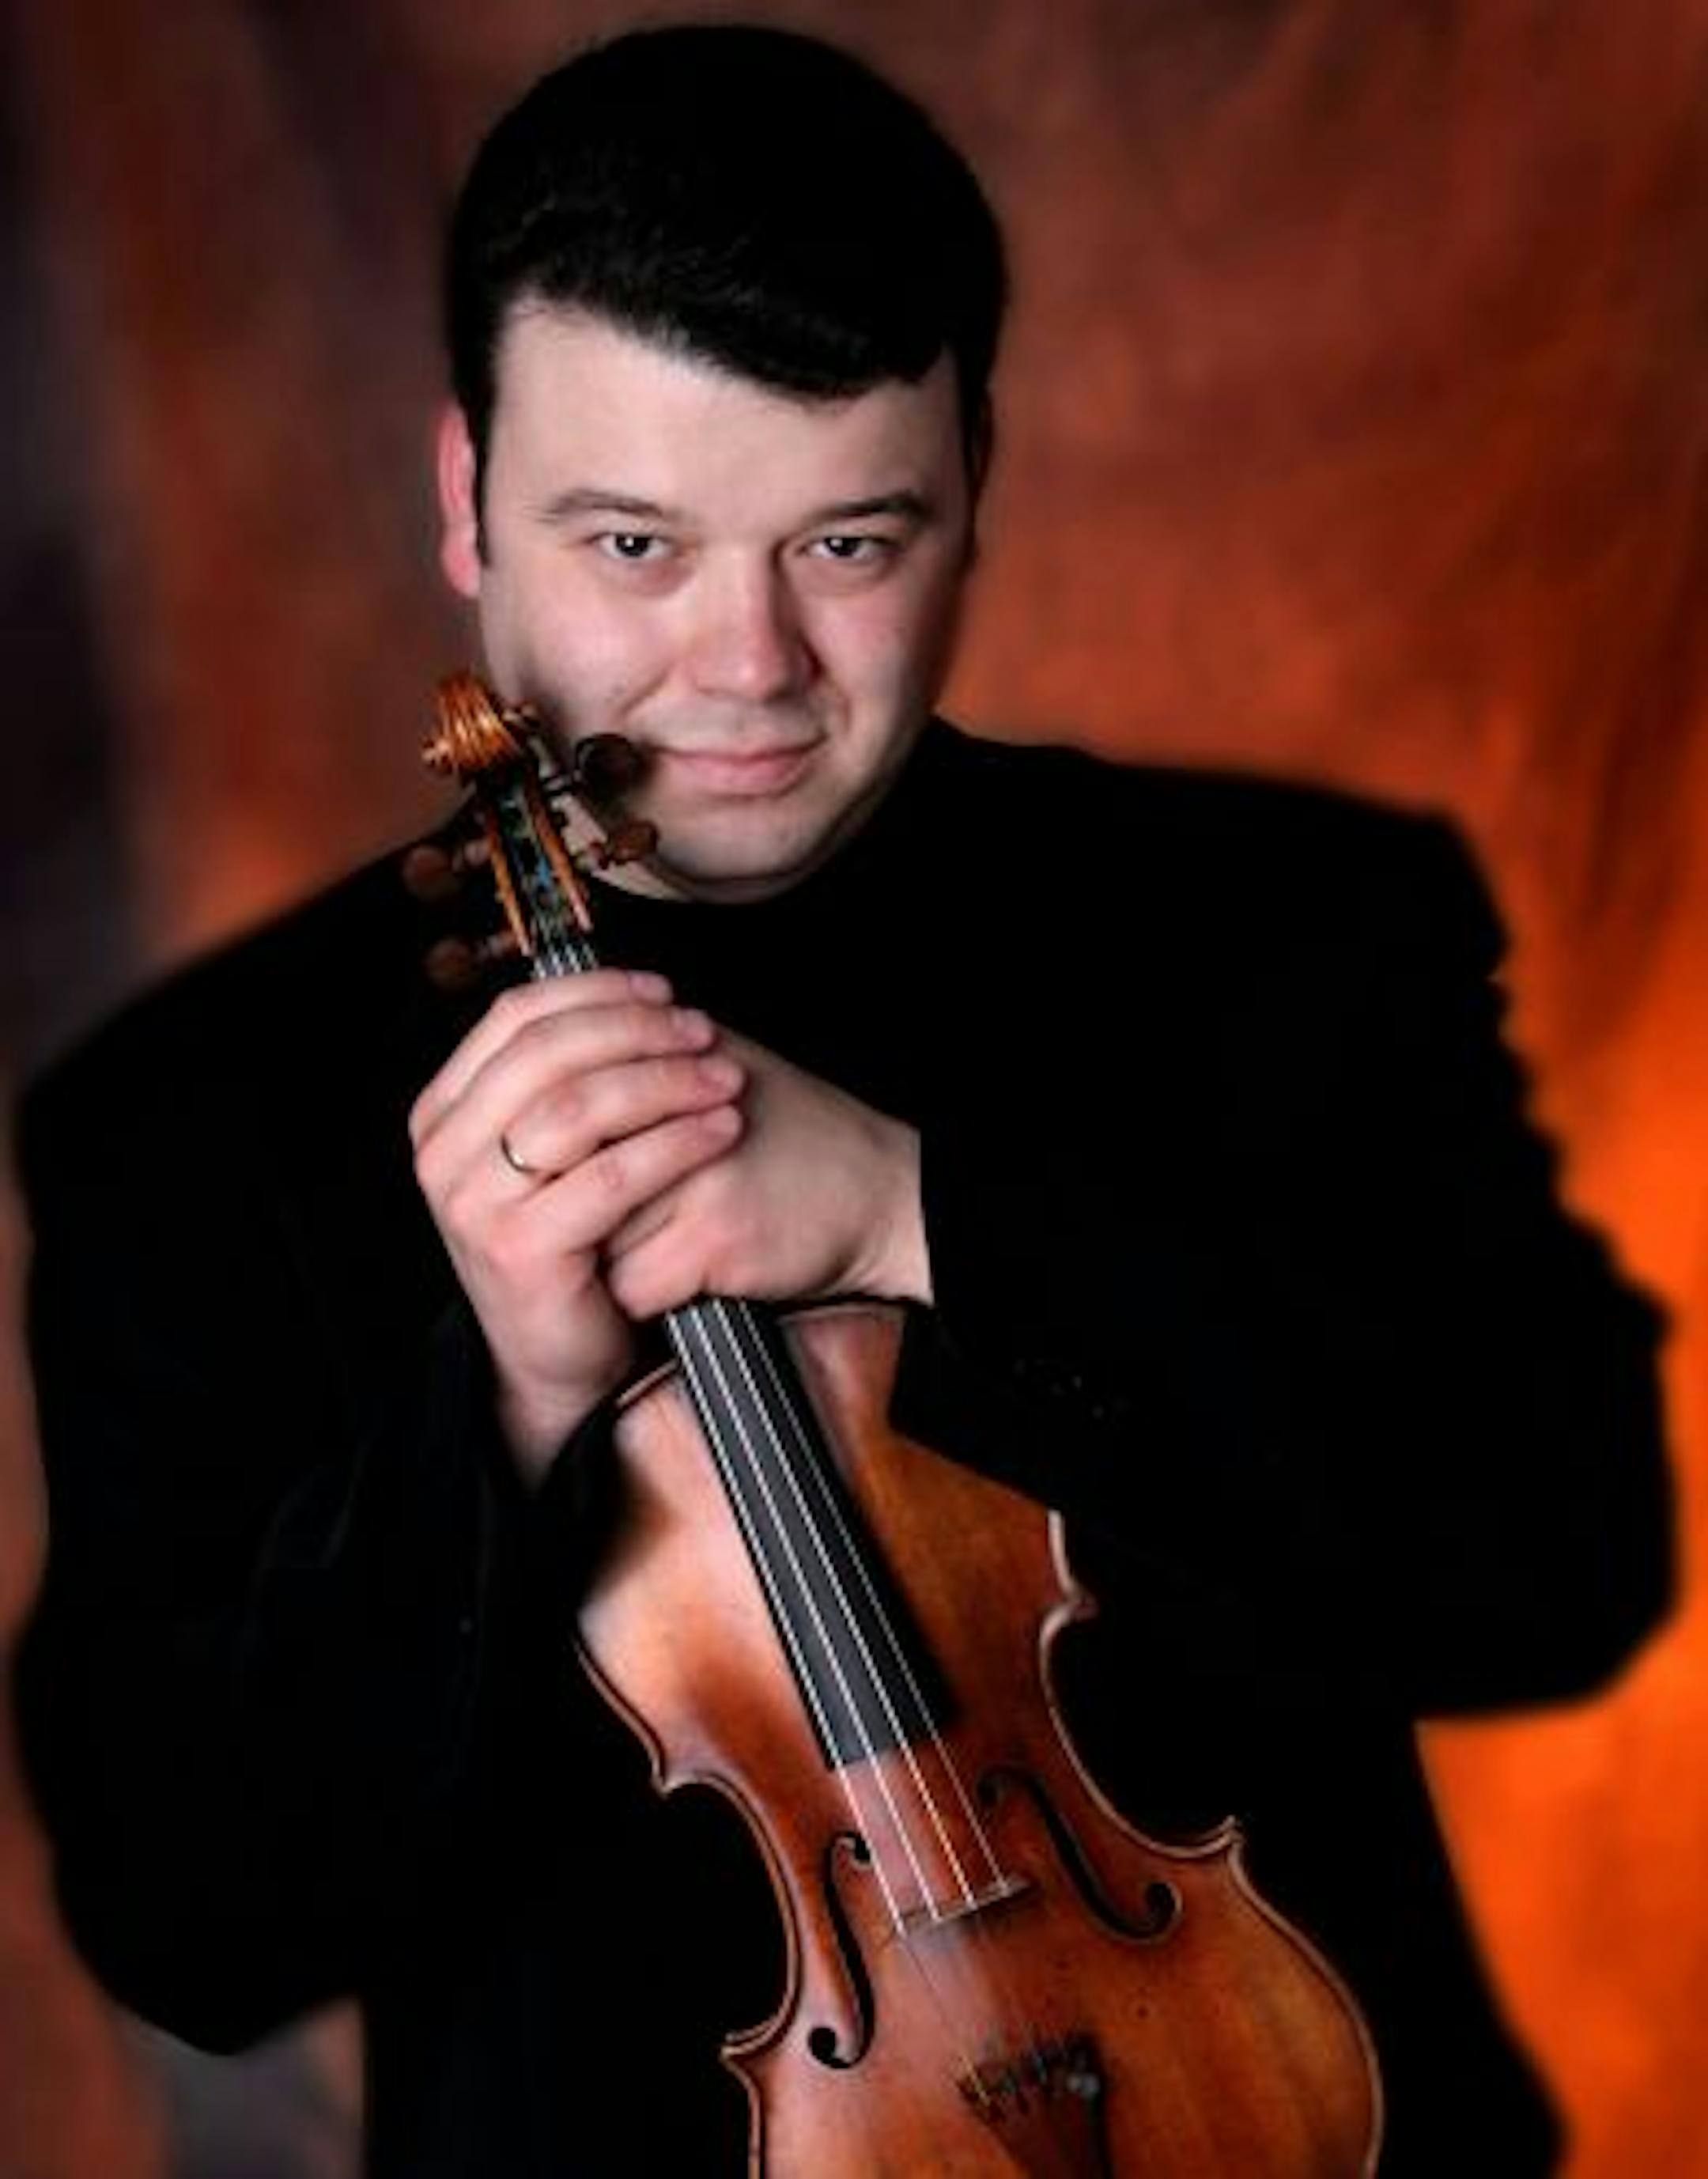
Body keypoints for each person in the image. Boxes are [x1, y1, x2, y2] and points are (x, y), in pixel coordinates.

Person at [13, 22, 1672, 2177]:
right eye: (632, 548)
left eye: (849, 543)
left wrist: (920, 1210)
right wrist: (500, 1398)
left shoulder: (1276, 932)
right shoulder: (194, 1126)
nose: (746, 668)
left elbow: (1554, 1561)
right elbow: (193, 1920)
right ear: (463, 501)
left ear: (972, 480)